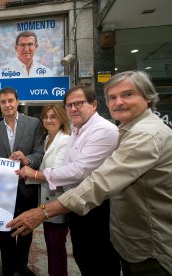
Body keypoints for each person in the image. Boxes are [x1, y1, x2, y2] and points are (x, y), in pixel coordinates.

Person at [9, 71, 172, 275]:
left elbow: (92, 178)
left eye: (128, 94)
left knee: (96, 264)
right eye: (112, 97)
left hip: (145, 243)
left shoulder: (141, 134)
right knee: (85, 259)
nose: (119, 102)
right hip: (117, 229)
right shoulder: (92, 129)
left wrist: (42, 209)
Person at [13, 85, 121, 275]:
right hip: (74, 204)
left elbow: (78, 170)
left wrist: (35, 174)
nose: (73, 109)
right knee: (81, 255)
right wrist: (28, 165)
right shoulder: (72, 131)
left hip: (93, 206)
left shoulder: (102, 129)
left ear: (94, 104)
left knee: (94, 259)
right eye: (69, 105)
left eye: (78, 103)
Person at [0, 87, 44, 276]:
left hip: (27, 187)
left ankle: (22, 265)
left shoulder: (34, 123)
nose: (7, 105)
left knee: (26, 229)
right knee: (5, 230)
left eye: (10, 100)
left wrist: (26, 160)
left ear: (17, 101)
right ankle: (8, 268)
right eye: (3, 102)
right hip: (3, 190)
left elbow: (40, 153)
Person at [33, 104, 71, 276]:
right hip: (47, 200)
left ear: (61, 118)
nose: (48, 120)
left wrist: (32, 174)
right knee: (51, 245)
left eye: (53, 116)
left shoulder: (65, 140)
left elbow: (57, 174)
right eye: (46, 116)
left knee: (56, 247)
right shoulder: (47, 139)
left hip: (59, 202)